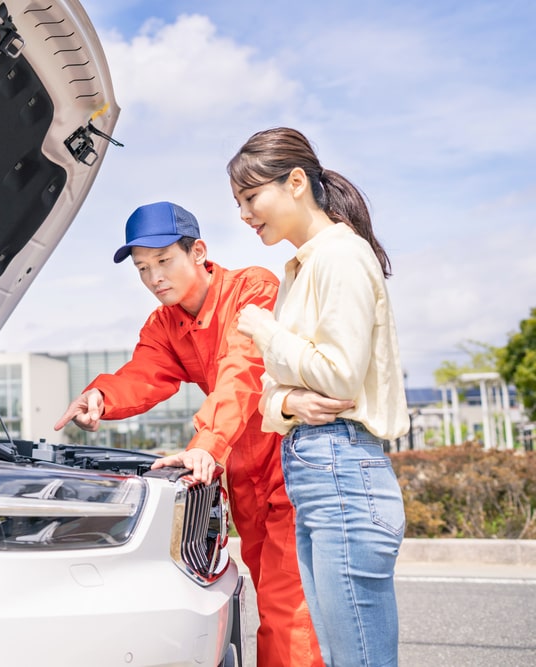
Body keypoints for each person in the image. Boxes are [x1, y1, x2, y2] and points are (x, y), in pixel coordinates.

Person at [54, 201, 324, 667]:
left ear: (197, 251)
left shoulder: (251, 288)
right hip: (245, 473)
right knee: (269, 597)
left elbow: (244, 371)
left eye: (164, 261)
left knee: (289, 611)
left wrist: (207, 444)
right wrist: (101, 395)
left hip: (289, 460)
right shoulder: (164, 324)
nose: (154, 277)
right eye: (142, 268)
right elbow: (143, 372)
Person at [230, 127, 409, 667]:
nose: (243, 214)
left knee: (356, 655)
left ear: (297, 182)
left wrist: (264, 331)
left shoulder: (339, 257)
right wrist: (286, 402)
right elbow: (271, 394)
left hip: (340, 465)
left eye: (250, 197)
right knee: (344, 653)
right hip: (320, 465)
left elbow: (336, 377)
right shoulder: (304, 265)